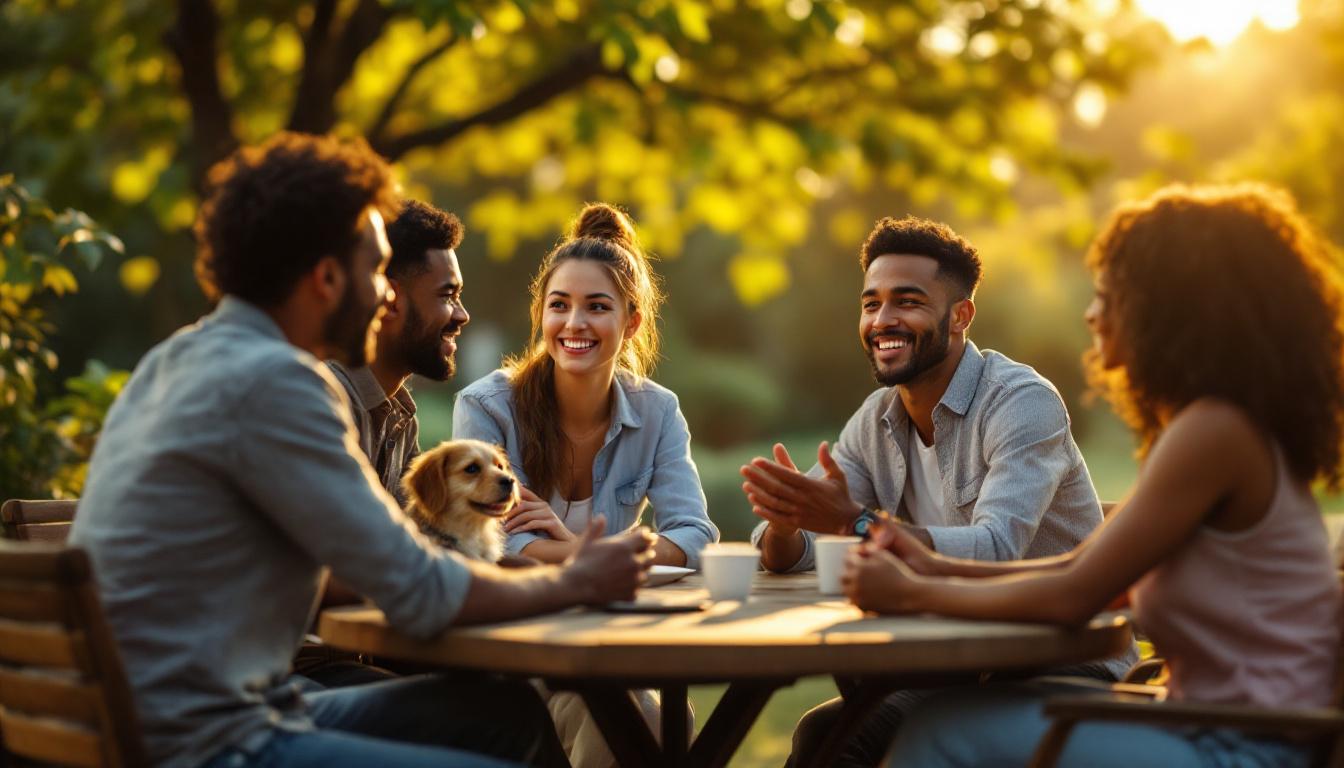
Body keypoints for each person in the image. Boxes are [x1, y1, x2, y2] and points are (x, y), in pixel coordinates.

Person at [69, 133, 654, 768]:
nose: (386, 294)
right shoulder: (278, 382)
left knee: (503, 714)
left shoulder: (176, 356)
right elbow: (420, 590)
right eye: (376, 270)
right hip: (207, 743)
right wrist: (573, 581)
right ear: (325, 278)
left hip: (215, 710)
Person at [857, 183, 1344, 768]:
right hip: (1205, 724)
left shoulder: (1213, 433)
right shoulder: (1218, 427)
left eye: (1108, 297)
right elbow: (1085, 569)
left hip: (1243, 746)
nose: (1091, 313)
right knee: (926, 719)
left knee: (938, 730)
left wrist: (912, 591)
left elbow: (1073, 596)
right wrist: (934, 563)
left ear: (1167, 310)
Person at [741, 216, 1130, 767]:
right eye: (871, 303)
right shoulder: (877, 418)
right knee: (824, 734)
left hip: (1057, 663)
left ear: (961, 316)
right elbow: (796, 547)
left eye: (907, 302)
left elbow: (998, 550)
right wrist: (783, 525)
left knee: (849, 737)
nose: (883, 320)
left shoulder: (1022, 403)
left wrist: (853, 521)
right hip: (950, 664)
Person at [453, 202, 717, 768]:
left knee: (652, 718)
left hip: (607, 653)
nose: (575, 325)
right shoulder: (487, 408)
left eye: (598, 307)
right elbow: (495, 547)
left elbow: (696, 534)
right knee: (642, 723)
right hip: (510, 657)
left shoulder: (659, 412)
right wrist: (602, 560)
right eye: (560, 306)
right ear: (539, 314)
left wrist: (571, 550)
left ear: (632, 322)